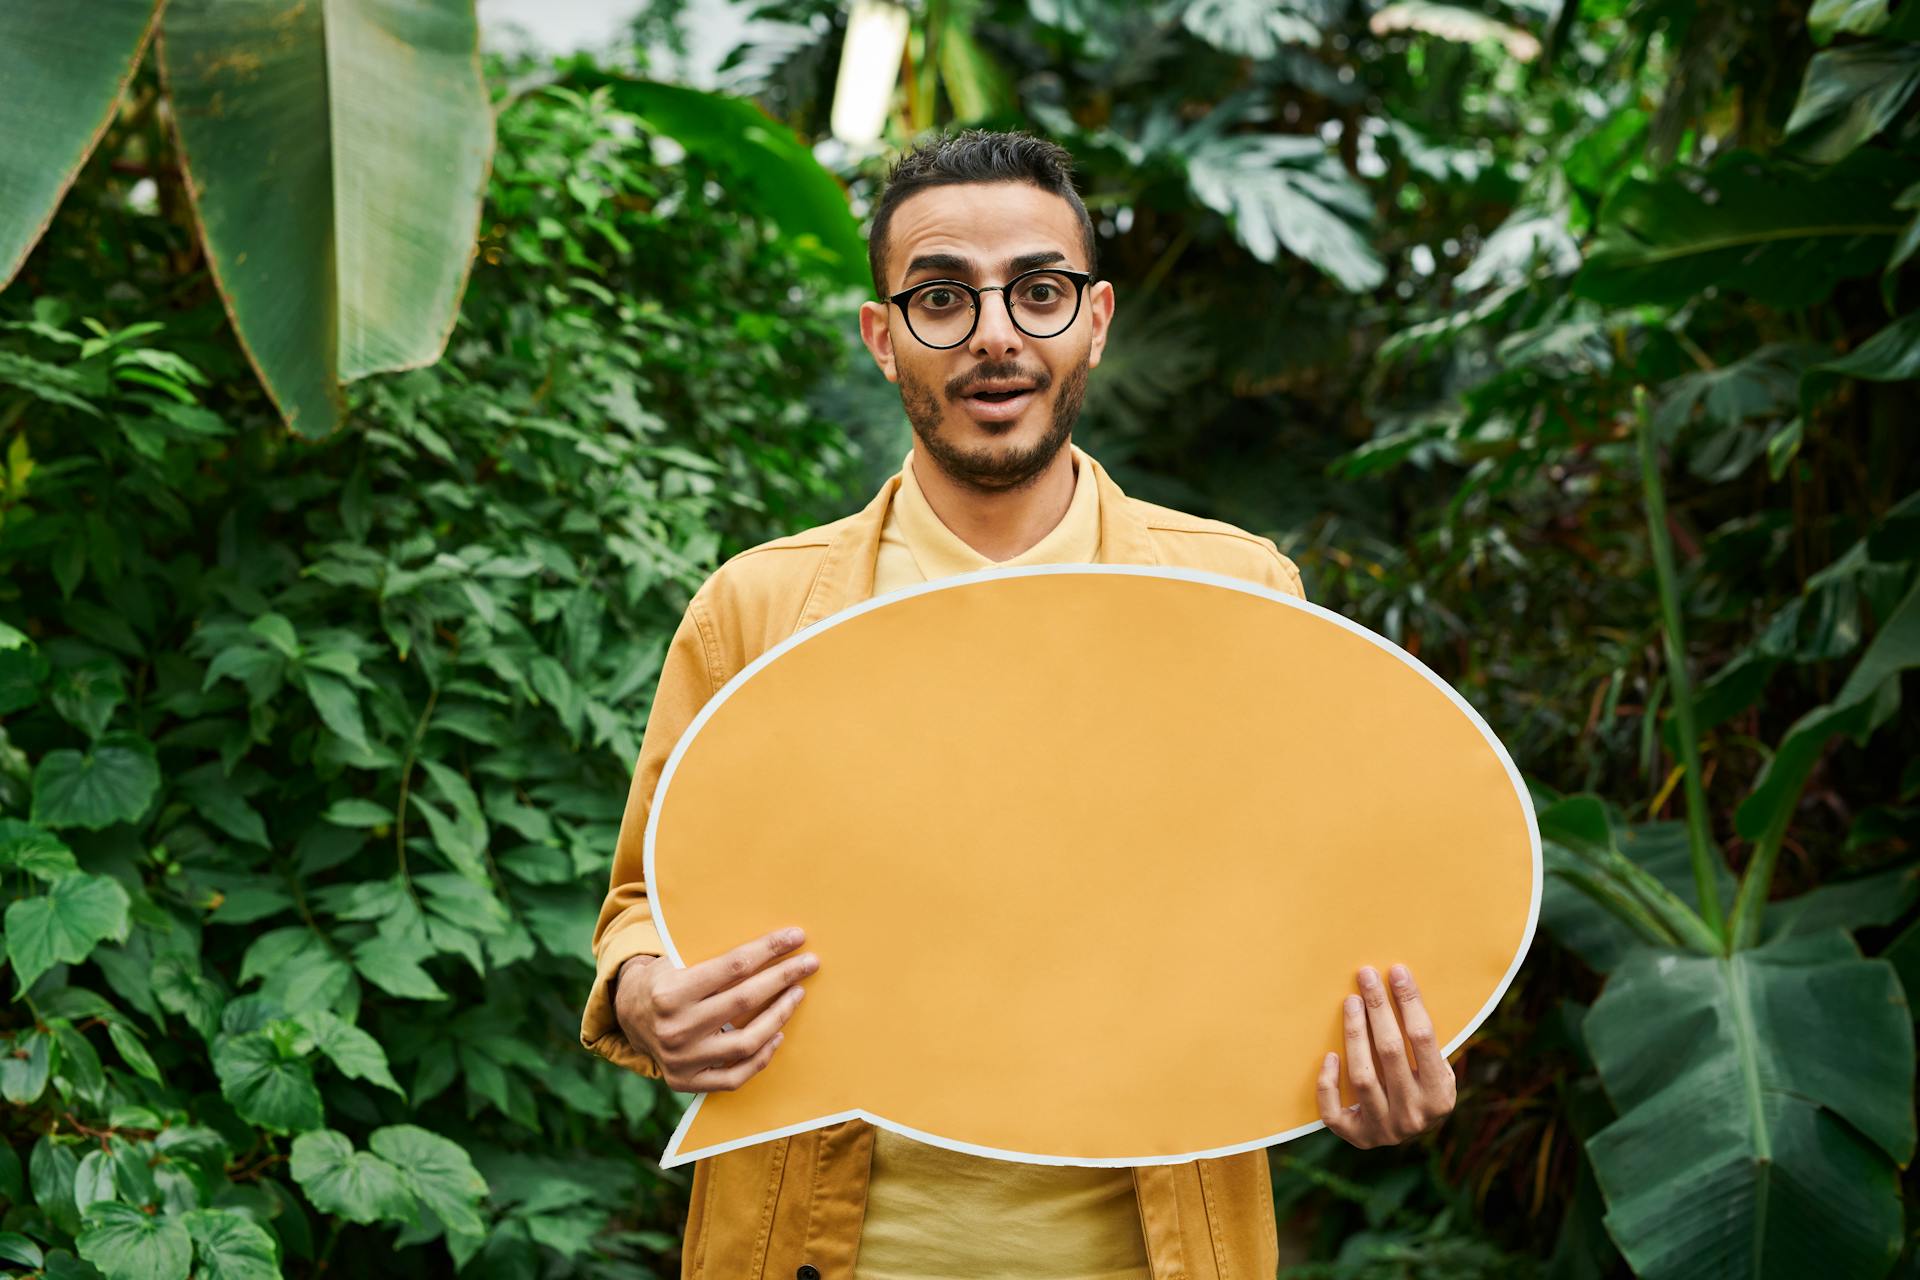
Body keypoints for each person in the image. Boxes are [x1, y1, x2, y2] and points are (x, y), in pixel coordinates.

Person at [580, 129, 1459, 1280]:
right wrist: (646, 993)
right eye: (943, 296)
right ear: (883, 337)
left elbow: (1321, 916)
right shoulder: (759, 609)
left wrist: (1372, 1054)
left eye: (1038, 291)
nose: (996, 333)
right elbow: (647, 897)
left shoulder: (1239, 595)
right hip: (816, 1244)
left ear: (1095, 319)